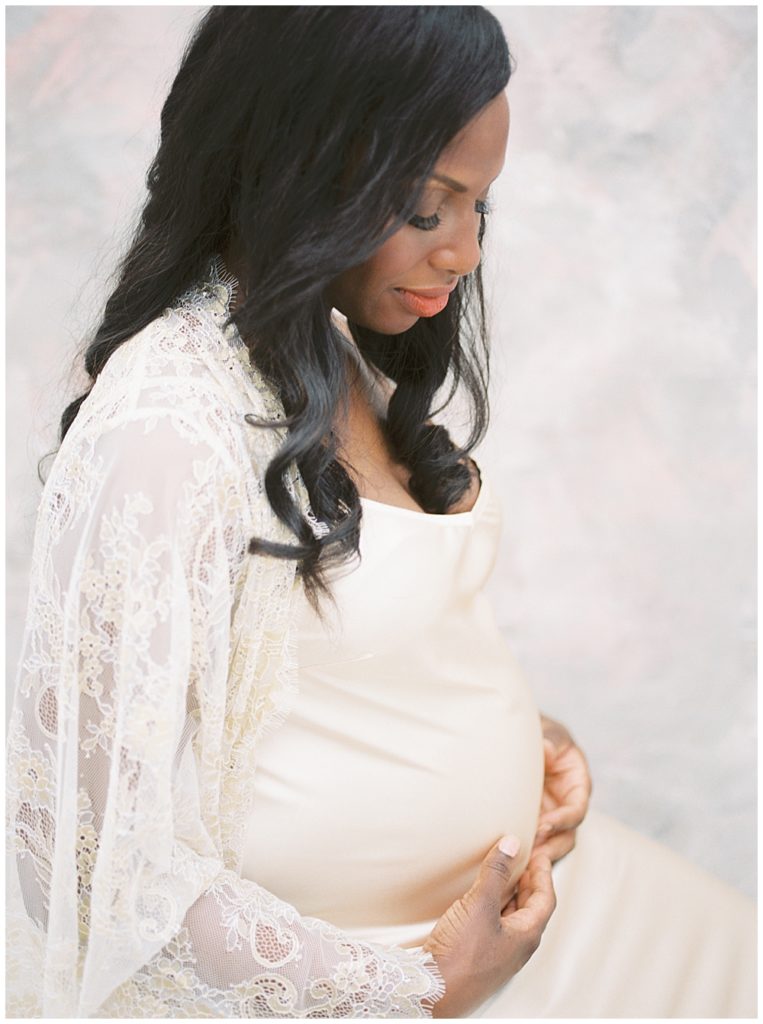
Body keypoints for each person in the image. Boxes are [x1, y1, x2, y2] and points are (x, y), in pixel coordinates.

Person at [6, 7, 755, 1019]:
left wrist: (523, 749)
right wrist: (420, 985)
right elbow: (79, 864)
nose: (464, 254)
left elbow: (326, 665)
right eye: (424, 206)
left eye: (477, 208)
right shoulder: (166, 419)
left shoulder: (326, 350)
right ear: (291, 163)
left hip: (529, 915)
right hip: (386, 983)